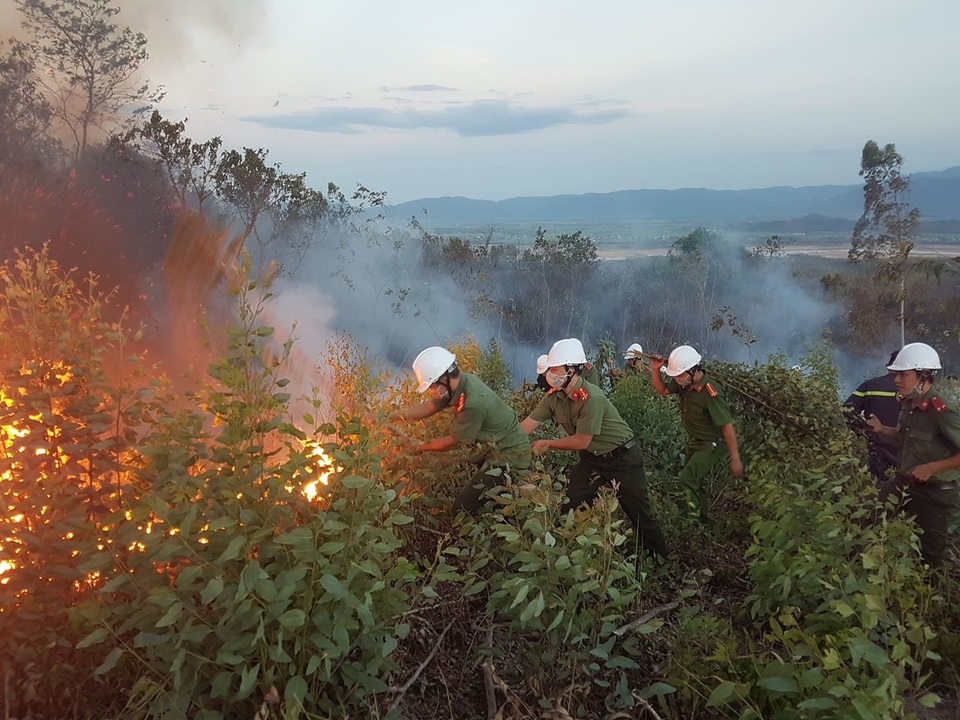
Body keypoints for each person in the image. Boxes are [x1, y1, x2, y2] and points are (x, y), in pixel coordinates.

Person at [519, 338, 669, 559]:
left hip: (623, 459)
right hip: (592, 459)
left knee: (640, 515)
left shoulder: (592, 397)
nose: (550, 374)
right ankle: (570, 553)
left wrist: (547, 443)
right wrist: (504, 439)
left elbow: (582, 440)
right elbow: (525, 427)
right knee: (570, 504)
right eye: (549, 369)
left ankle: (661, 560)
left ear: (572, 370)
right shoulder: (553, 398)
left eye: (555, 369)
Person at [389, 346, 531, 513]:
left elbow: (454, 441)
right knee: (490, 497)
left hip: (510, 456)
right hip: (493, 448)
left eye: (432, 386)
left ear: (443, 379)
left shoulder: (473, 403)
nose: (431, 392)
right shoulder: (460, 383)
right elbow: (429, 407)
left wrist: (420, 446)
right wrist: (391, 416)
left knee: (462, 507)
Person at [866, 343, 960, 567]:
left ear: (923, 377)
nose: (897, 380)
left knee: (930, 557)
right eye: (896, 375)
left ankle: (932, 585)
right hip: (905, 482)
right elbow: (906, 438)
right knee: (868, 517)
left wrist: (932, 468)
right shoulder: (909, 403)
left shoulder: (942, 410)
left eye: (903, 375)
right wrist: (881, 429)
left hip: (934, 494)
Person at [650, 345, 744, 523]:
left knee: (686, 479)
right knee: (694, 481)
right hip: (696, 442)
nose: (676, 379)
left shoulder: (710, 392)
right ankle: (702, 520)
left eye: (679, 375)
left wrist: (735, 458)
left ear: (692, 371)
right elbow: (662, 390)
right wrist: (655, 370)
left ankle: (689, 522)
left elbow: (727, 426)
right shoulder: (684, 383)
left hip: (711, 444)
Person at [844, 352, 900, 483]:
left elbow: (847, 410)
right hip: (906, 450)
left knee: (877, 487)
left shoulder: (870, 386)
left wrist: (860, 429)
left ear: (888, 366)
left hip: (875, 449)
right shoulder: (915, 391)